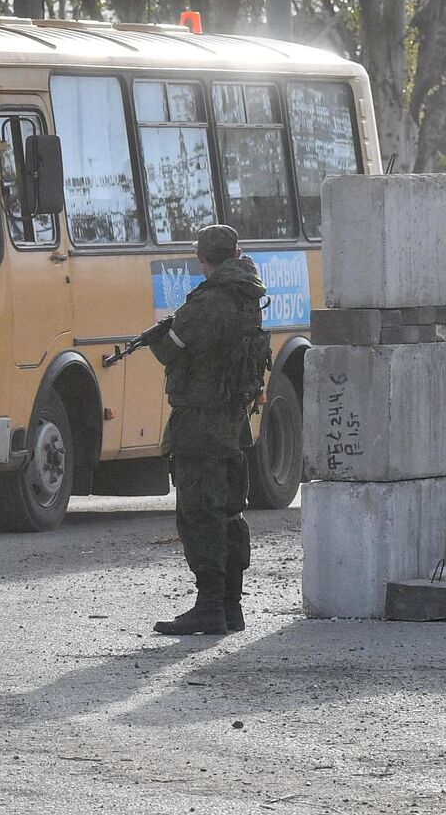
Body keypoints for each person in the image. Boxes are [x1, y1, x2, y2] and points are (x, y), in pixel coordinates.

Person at [149, 223, 268, 636]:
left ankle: (209, 606)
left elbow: (170, 348)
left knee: (200, 513)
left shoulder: (210, 301)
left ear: (204, 258)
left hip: (202, 422)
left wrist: (160, 335)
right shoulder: (247, 295)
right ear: (236, 253)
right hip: (233, 422)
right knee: (230, 511)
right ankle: (230, 606)